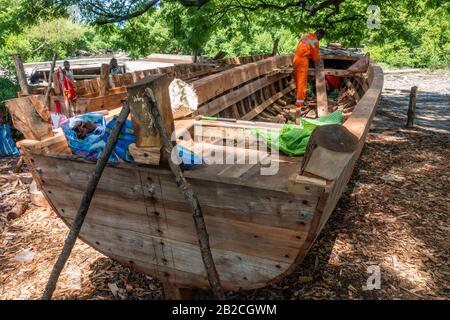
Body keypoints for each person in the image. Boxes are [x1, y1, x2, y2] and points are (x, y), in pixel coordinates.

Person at [293, 29, 325, 108]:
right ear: (320, 35)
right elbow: (315, 57)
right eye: (320, 38)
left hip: (295, 58)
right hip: (303, 61)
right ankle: (299, 103)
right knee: (302, 82)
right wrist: (317, 60)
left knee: (297, 79)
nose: (319, 39)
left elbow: (304, 48)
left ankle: (298, 97)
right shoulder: (315, 41)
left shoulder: (306, 36)